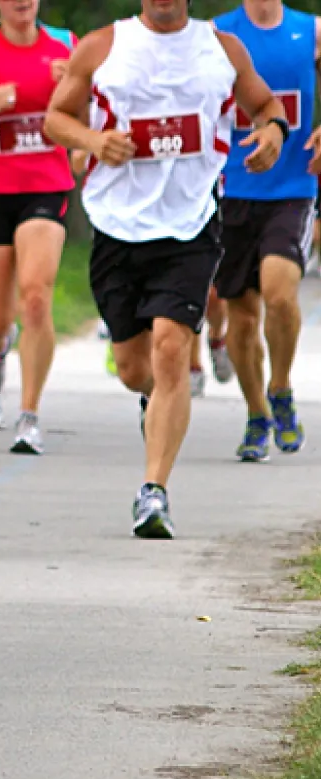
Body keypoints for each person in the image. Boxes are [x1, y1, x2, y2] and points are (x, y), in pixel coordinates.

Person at [44, 0, 286, 539]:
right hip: (117, 225)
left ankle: (153, 492)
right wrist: (92, 141)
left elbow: (266, 104)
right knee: (135, 369)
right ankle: (154, 406)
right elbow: (56, 117)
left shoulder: (221, 49)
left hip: (190, 224)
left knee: (173, 350)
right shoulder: (104, 45)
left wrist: (273, 133)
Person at [0, 0, 78, 453]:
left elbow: (100, 111)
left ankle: (29, 414)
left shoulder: (66, 46)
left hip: (45, 186)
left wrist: (75, 91)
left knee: (36, 297)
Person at [214, 0, 319, 461]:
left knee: (279, 293)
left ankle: (281, 387)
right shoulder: (216, 35)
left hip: (293, 186)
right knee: (241, 315)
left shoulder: (310, 30)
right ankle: (257, 415)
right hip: (231, 188)